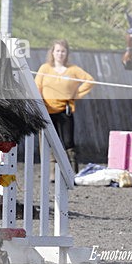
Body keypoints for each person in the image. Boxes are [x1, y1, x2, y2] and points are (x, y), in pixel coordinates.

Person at [34, 39, 94, 173]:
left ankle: (73, 172)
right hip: (47, 111)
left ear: (67, 53)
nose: (60, 54)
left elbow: (89, 80)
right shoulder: (45, 68)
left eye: (63, 51)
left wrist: (76, 94)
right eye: (57, 51)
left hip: (64, 111)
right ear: (52, 52)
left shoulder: (73, 70)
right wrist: (39, 103)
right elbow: (37, 86)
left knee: (68, 142)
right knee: (50, 142)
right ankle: (52, 173)